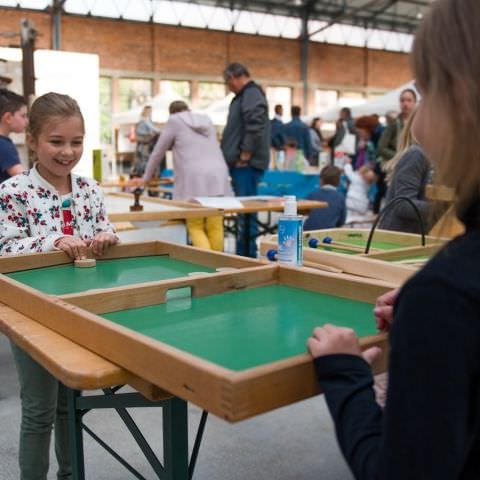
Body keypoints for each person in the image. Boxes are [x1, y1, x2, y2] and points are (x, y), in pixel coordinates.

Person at [308, 1, 480, 478]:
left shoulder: (447, 294)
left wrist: (346, 375)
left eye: (423, 93)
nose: (415, 117)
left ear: (460, 102)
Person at [0, 92, 118, 479]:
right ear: (31, 140)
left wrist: (105, 235)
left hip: (81, 308)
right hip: (31, 313)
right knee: (39, 410)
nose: (68, 152)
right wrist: (52, 241)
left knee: (71, 403)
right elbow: (5, 247)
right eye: (56, 141)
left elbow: (106, 227)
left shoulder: (89, 189)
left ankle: (71, 475)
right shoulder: (12, 193)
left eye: (76, 141)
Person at [140, 100, 232, 251]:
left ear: (172, 112)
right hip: (217, 175)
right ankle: (221, 266)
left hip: (193, 178)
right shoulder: (206, 119)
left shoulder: (174, 121)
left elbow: (158, 152)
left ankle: (208, 267)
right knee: (215, 225)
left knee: (195, 225)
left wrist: (146, 178)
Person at [221, 62, 270, 258]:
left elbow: (255, 123)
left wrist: (245, 154)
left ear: (234, 77)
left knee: (246, 212)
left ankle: (246, 257)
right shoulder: (246, 95)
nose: (228, 87)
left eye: (227, 82)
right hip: (242, 165)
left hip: (246, 166)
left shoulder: (250, 94)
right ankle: (245, 254)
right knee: (244, 212)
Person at [379, 109, 442, 234]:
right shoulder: (416, 154)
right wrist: (442, 209)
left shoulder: (432, 156)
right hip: (397, 241)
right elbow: (403, 205)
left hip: (412, 238)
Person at [374, 88, 418, 213]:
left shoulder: (420, 122)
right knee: (393, 199)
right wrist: (400, 156)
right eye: (403, 100)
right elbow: (381, 147)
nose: (405, 103)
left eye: (409, 100)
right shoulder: (394, 123)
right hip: (397, 167)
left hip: (415, 167)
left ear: (415, 103)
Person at [303, 165, 346, 230]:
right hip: (328, 235)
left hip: (308, 233)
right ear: (339, 181)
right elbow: (341, 221)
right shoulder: (340, 198)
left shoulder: (312, 195)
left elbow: (303, 216)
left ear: (321, 180)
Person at [0, 89, 28, 182]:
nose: (27, 121)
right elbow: (22, 177)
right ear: (8, 118)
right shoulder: (3, 145)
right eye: (23, 116)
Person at [132, 105, 161, 177]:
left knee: (141, 156)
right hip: (144, 140)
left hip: (143, 140)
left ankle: (140, 171)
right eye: (149, 111)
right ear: (146, 111)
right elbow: (153, 128)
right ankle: (143, 172)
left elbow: (152, 129)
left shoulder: (145, 119)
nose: (150, 112)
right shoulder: (144, 119)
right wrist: (161, 131)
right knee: (144, 156)